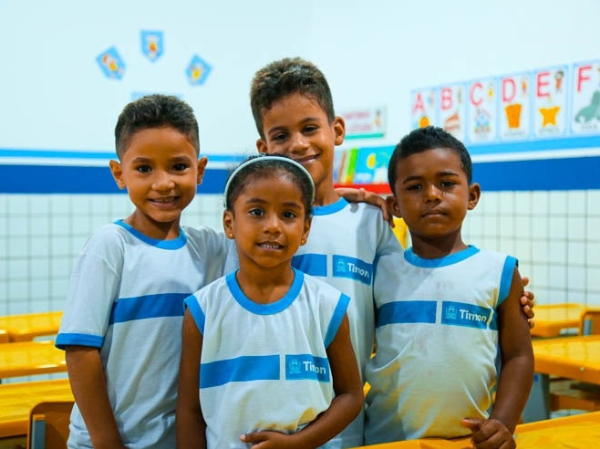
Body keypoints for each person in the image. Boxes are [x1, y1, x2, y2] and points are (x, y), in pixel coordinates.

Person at [249, 56, 536, 448]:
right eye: (281, 135)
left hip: (351, 426)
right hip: (271, 415)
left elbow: (422, 279)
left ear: (337, 130)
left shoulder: (370, 224)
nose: (298, 144)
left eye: (309, 128)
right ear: (264, 147)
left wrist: (508, 301)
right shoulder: (253, 231)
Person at [55, 94, 235, 449]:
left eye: (178, 167)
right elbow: (79, 351)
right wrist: (107, 442)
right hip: (109, 442)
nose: (163, 183)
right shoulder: (111, 246)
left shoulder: (211, 248)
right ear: (119, 173)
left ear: (199, 170)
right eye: (144, 169)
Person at [176, 155, 363, 449]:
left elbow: (351, 396)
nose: (273, 226)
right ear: (229, 223)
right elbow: (190, 410)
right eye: (257, 212)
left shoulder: (327, 306)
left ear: (305, 229)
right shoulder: (203, 310)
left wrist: (297, 443)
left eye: (288, 215)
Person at [364, 126, 534, 448]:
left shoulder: (499, 270)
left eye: (446, 183)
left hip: (468, 443)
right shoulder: (380, 271)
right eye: (415, 187)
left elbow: (519, 356)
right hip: (384, 442)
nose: (431, 195)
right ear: (395, 205)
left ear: (472, 196)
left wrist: (503, 422)